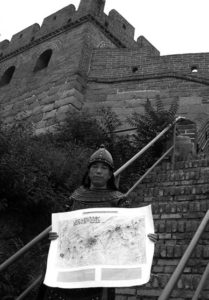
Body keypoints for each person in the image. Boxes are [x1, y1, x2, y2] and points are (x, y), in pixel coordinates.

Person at [37, 145, 157, 300]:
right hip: (73, 266)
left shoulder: (119, 200)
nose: (99, 171)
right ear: (89, 171)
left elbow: (130, 232)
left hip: (101, 271)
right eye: (95, 167)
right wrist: (55, 236)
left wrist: (146, 238)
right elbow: (63, 229)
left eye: (104, 168)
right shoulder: (75, 197)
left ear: (110, 174)